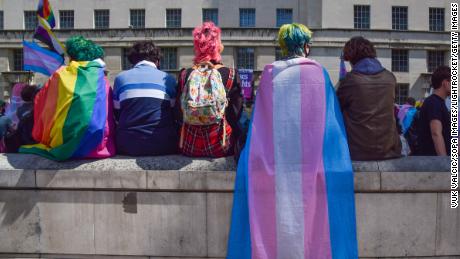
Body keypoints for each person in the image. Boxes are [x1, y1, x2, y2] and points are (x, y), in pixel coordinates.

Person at [227, 23, 358, 258]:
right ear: (306, 47)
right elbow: (329, 122)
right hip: (312, 163)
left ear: (283, 47)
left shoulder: (269, 73)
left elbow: (260, 120)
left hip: (275, 163)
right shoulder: (319, 72)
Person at [19, 36, 115, 161]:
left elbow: (42, 104)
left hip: (61, 143)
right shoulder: (102, 78)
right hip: (98, 145)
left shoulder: (60, 74)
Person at [176, 22, 243, 158]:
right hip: (221, 144)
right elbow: (237, 115)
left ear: (197, 47)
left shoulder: (185, 75)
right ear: (218, 46)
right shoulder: (231, 74)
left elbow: (178, 113)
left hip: (190, 145)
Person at [337, 36, 401, 160]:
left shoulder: (350, 80)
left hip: (357, 150)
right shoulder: (390, 78)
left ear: (351, 58)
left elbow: (336, 110)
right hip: (389, 150)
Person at [113, 41, 178, 156]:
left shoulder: (120, 78)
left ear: (132, 61)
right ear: (157, 61)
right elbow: (173, 112)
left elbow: (117, 113)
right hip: (164, 144)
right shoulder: (169, 79)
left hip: (127, 145)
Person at [418, 65, 451, 156]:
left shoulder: (438, 103)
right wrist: (444, 162)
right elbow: (436, 133)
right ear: (445, 83)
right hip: (433, 163)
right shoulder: (434, 103)